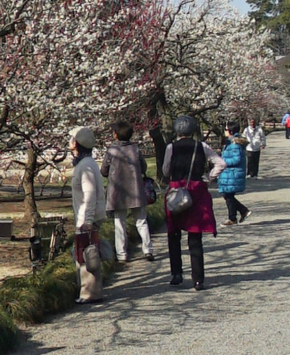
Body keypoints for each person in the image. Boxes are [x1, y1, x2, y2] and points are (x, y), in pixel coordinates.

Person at [162, 115, 226, 291]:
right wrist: (208, 178)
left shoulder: (171, 148)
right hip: (196, 192)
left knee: (174, 234)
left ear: (177, 130)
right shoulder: (202, 146)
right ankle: (198, 279)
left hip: (176, 191)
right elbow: (221, 163)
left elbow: (165, 170)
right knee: (195, 236)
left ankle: (176, 274)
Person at [101, 120, 154, 263]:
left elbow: (104, 171)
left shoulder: (112, 150)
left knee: (119, 223)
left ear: (116, 135)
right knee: (141, 221)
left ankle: (121, 254)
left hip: (117, 192)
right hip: (136, 190)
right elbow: (143, 168)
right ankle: (148, 250)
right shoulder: (135, 149)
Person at [69, 126, 106, 304]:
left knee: (86, 254)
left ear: (76, 143)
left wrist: (88, 220)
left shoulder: (86, 166)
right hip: (84, 215)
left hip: (86, 216)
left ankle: (90, 292)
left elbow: (89, 194)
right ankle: (89, 290)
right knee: (86, 253)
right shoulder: (85, 163)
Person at [218, 122, 251, 225]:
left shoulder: (234, 144)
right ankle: (242, 211)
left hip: (232, 173)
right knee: (227, 195)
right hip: (229, 174)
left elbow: (236, 159)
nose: (225, 131)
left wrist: (222, 162)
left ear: (230, 131)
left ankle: (233, 217)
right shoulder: (230, 142)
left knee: (228, 195)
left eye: (226, 129)